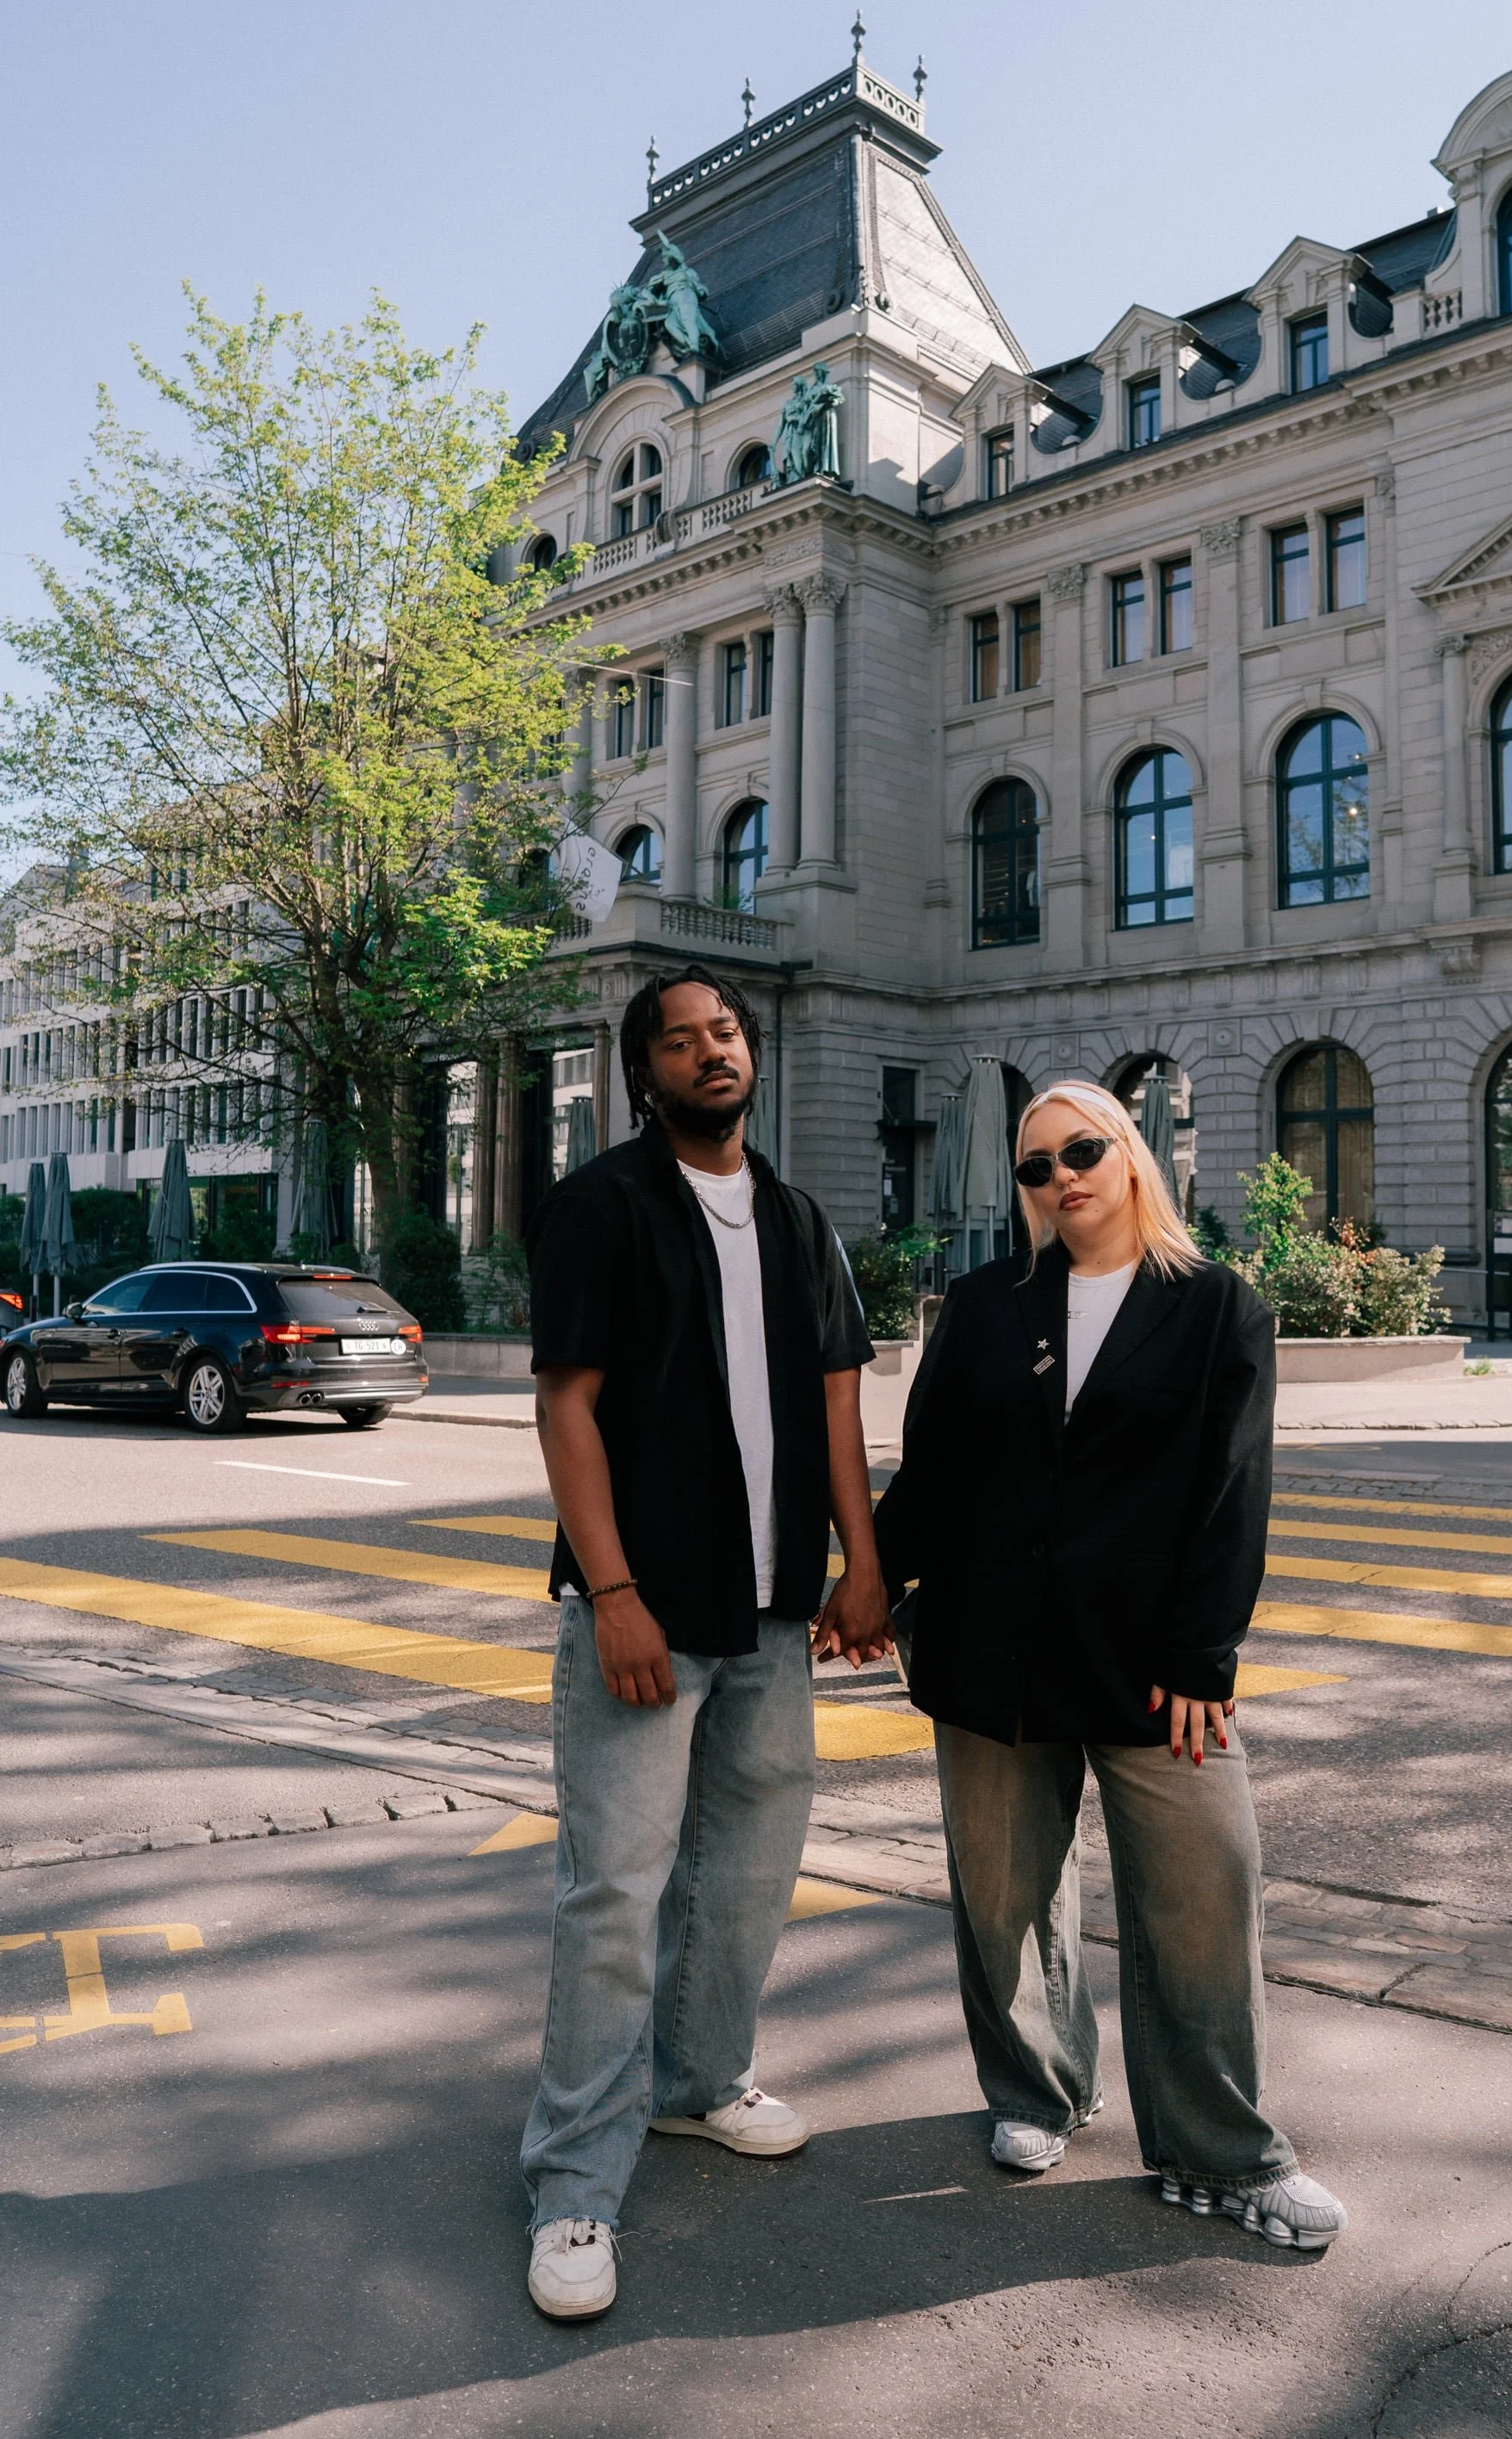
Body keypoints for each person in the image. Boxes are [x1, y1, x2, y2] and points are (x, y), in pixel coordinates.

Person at [875, 1078, 1345, 2251]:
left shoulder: (1214, 1306)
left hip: (1152, 1666)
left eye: (1082, 1149)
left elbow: (1232, 1495)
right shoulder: (987, 1305)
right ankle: (1040, 2089)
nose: (1062, 1176)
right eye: (1036, 1166)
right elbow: (931, 1472)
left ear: (1132, 1153)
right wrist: (872, 1585)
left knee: (1201, 1899)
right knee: (1003, 1897)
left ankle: (1219, 2151)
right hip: (990, 1649)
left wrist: (1203, 1656)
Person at [519, 966, 891, 2320]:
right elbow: (567, 1410)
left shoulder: (797, 1219)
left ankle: (695, 2085)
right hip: (650, 1611)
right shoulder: (602, 1209)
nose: (710, 1052)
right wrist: (612, 1592)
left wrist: (866, 1566)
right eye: (680, 1041)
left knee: (745, 1872)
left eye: (725, 1032)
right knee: (613, 1890)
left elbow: (841, 1410)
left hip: (778, 1608)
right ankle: (572, 2182)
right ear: (646, 1074)